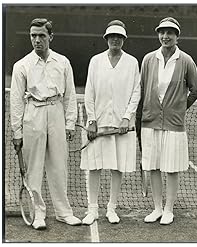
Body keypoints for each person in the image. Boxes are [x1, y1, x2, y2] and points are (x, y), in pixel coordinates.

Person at [10, 18, 82, 230]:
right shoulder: (21, 65)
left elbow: (70, 94)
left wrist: (70, 123)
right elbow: (15, 100)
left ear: (50, 37)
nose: (37, 40)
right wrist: (17, 131)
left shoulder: (63, 62)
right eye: (33, 35)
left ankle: (63, 212)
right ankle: (37, 213)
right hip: (33, 115)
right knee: (33, 168)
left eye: (41, 35)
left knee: (59, 166)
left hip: (57, 113)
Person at [137, 17, 197, 225]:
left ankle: (169, 209)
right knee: (153, 166)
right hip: (150, 121)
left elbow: (195, 89)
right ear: (158, 35)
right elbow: (142, 88)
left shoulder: (186, 60)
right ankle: (156, 208)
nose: (165, 36)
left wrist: (180, 108)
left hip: (174, 124)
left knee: (171, 168)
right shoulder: (148, 59)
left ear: (177, 36)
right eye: (162, 32)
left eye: (170, 33)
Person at [80, 20, 140, 225]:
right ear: (106, 39)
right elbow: (89, 92)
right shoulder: (95, 61)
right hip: (98, 123)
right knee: (94, 166)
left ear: (123, 39)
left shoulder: (132, 62)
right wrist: (92, 120)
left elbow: (136, 92)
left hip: (121, 126)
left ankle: (111, 208)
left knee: (117, 167)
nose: (116, 39)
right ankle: (92, 209)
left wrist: (126, 117)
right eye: (112, 36)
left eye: (119, 36)